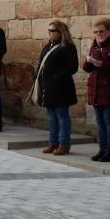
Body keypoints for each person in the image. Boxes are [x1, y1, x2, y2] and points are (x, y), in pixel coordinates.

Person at [31, 20, 78, 156]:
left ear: (60, 32)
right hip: (48, 88)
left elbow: (72, 67)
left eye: (52, 31)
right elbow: (41, 64)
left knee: (62, 116)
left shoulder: (67, 47)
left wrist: (57, 77)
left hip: (61, 88)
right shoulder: (47, 47)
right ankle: (53, 143)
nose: (49, 33)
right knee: (51, 116)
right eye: (49, 30)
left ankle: (64, 144)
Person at [82, 18, 110, 162]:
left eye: (101, 31)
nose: (98, 34)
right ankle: (102, 149)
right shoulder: (95, 46)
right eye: (95, 32)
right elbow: (88, 68)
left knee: (109, 120)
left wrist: (102, 64)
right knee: (100, 121)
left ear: (109, 31)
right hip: (96, 89)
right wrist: (88, 62)